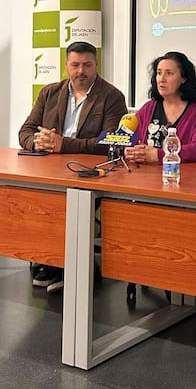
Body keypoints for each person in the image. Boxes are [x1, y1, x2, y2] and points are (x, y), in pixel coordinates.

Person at [19, 41, 127, 293]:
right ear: (66, 65)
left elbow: (111, 142)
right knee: (32, 200)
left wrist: (63, 144)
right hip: (48, 167)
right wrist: (37, 142)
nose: (81, 71)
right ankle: (49, 259)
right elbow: (25, 130)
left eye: (87, 65)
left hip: (90, 172)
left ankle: (73, 266)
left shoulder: (111, 96)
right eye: (76, 65)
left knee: (64, 203)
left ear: (96, 65)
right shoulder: (50, 93)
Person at [124, 51, 196, 166]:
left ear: (184, 78)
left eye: (169, 73)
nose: (162, 79)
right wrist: (129, 151)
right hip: (149, 177)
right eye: (159, 73)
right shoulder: (149, 108)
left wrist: (159, 155)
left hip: (190, 176)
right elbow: (130, 139)